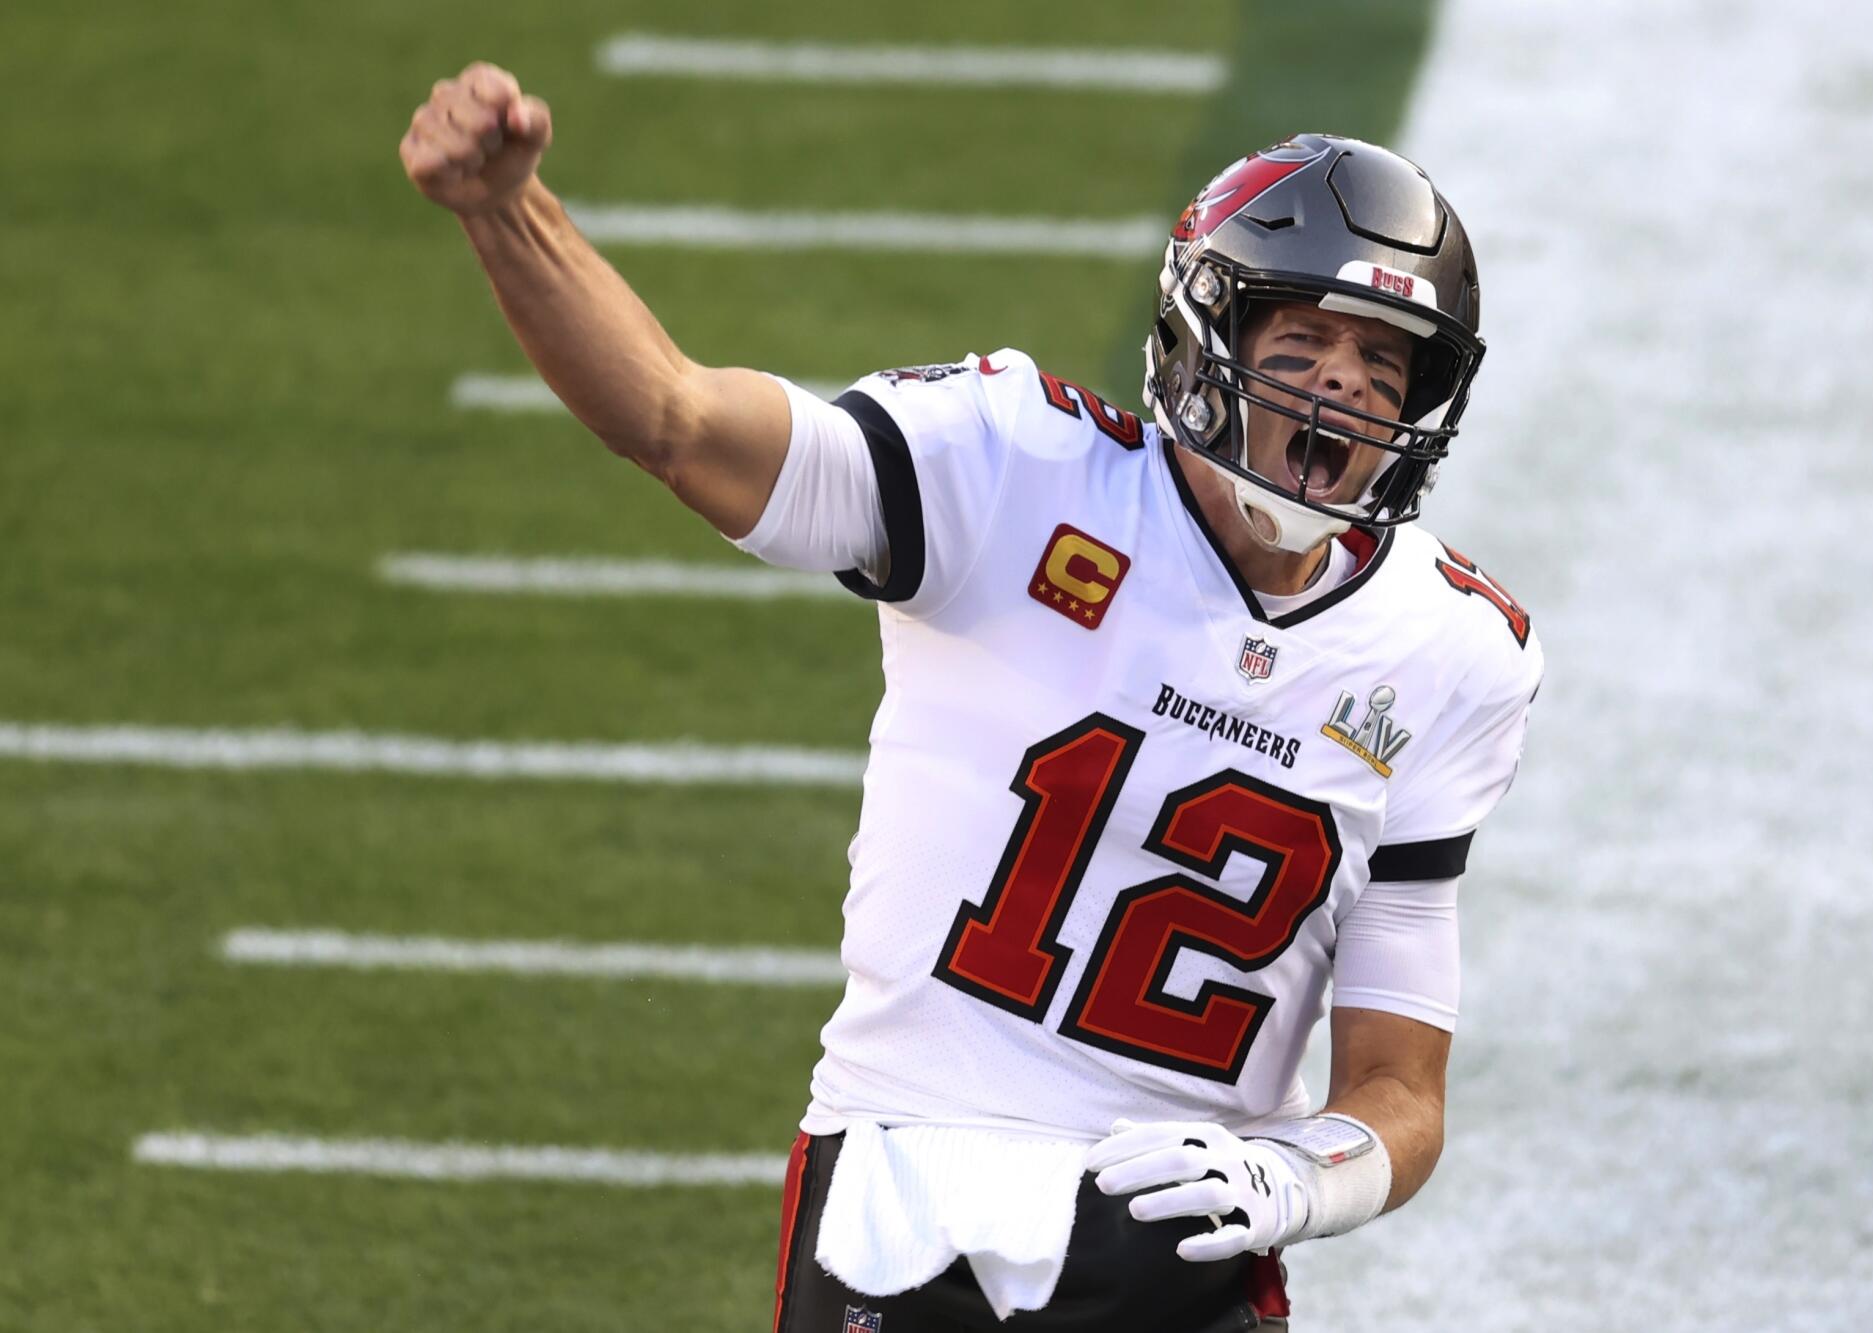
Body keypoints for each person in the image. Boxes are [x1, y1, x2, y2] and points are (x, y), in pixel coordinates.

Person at [402, 62, 1542, 1333]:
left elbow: (1399, 1090)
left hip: (1183, 1232)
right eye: (1308, 341)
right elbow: (677, 421)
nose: (1342, 387)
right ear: (1206, 336)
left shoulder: (1450, 652)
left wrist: (1296, 1175)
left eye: (1386, 363)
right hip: (910, 1186)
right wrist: (506, 209)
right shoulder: (1012, 465)